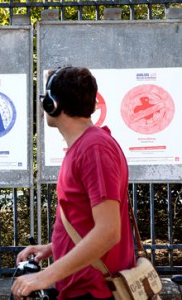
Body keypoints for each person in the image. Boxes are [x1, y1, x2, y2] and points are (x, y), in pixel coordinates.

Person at [11, 66, 135, 300]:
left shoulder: (94, 149)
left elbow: (108, 231)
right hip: (79, 287)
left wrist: (43, 276)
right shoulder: (86, 146)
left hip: (93, 291)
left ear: (52, 104)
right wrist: (52, 248)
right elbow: (87, 221)